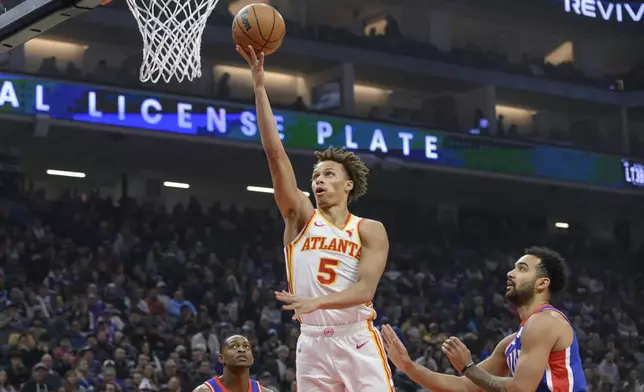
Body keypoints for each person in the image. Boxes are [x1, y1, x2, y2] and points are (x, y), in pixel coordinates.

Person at [236, 45, 394, 392]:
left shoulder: (369, 229)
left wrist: (316, 302)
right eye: (315, 175)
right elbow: (275, 155)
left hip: (356, 339)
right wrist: (260, 88)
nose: (319, 180)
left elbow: (365, 289)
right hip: (311, 343)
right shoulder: (300, 218)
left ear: (348, 184)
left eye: (328, 174)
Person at [382, 246, 588, 392]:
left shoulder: (545, 321)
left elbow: (520, 390)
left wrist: (468, 367)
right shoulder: (511, 343)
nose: (510, 273)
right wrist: (408, 366)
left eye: (522, 269)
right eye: (514, 267)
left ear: (542, 284)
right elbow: (464, 387)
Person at [193, 335, 273, 392]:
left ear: (251, 359)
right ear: (221, 358)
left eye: (246, 347)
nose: (241, 350)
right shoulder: (205, 390)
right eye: (234, 346)